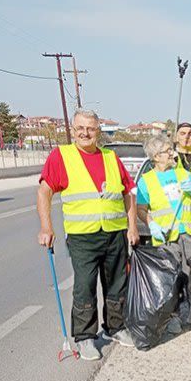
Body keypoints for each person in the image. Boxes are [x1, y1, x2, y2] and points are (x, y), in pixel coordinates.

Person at [36, 109, 139, 360]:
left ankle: (116, 328)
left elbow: (128, 193)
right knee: (84, 287)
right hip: (83, 236)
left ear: (98, 131)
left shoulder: (110, 157)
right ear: (73, 129)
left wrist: (132, 226)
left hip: (115, 233)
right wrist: (46, 227)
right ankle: (84, 338)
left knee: (117, 285)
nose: (85, 133)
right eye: (80, 128)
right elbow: (44, 192)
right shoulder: (62, 156)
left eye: (91, 128)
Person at [136, 134, 191, 334]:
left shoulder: (183, 174)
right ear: (156, 157)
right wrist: (152, 224)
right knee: (171, 279)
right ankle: (173, 317)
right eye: (167, 151)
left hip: (189, 234)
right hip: (166, 237)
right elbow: (141, 209)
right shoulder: (146, 181)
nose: (172, 153)